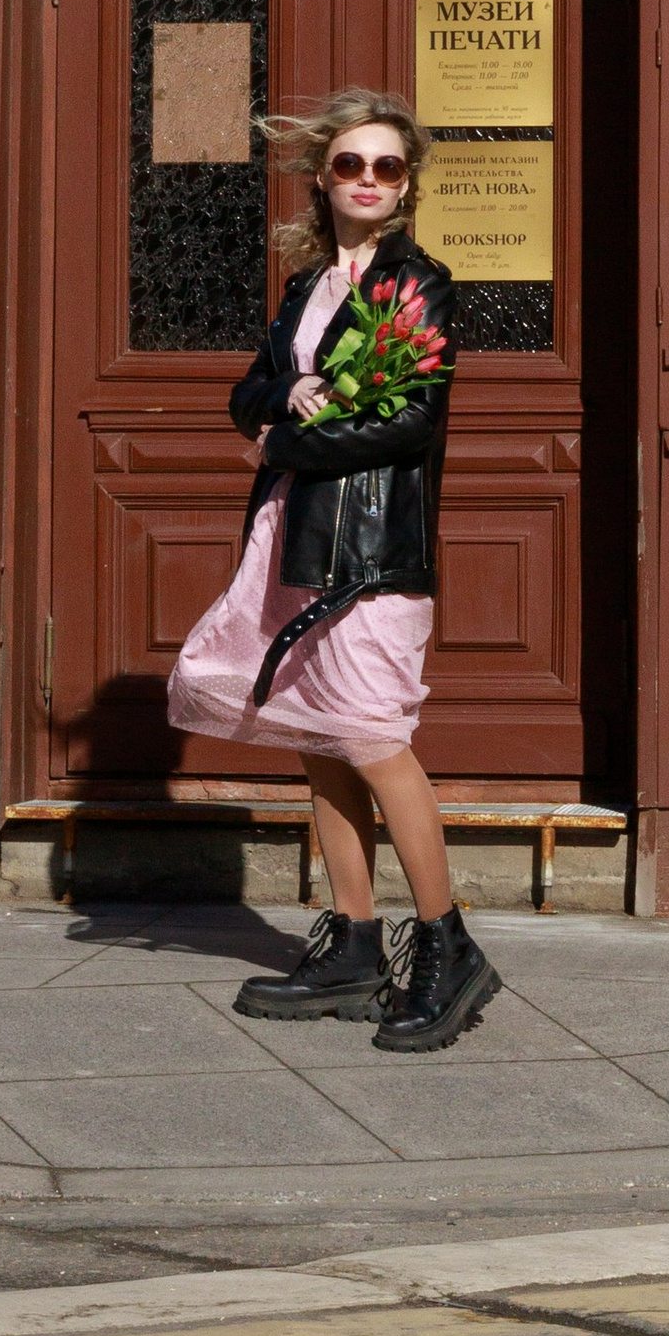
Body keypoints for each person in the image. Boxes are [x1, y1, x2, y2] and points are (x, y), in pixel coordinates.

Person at [165, 87, 499, 1052]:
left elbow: (412, 422)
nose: (367, 181)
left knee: (372, 735)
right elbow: (251, 389)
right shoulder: (305, 286)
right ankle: (354, 942)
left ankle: (448, 946)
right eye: (350, 164)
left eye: (387, 167)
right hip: (293, 539)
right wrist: (277, 403)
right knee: (316, 733)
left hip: (373, 548)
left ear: (407, 186)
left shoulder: (419, 285)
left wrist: (283, 443)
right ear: (324, 177)